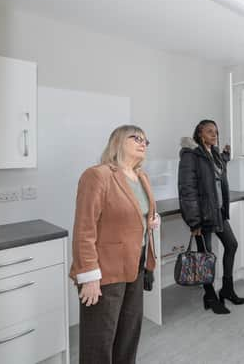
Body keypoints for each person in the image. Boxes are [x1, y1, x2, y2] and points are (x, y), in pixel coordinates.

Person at [69, 125, 160, 364]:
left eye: (146, 140)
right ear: (117, 142)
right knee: (99, 342)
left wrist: (151, 219)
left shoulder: (142, 177)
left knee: (128, 336)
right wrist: (88, 276)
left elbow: (138, 212)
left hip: (136, 266)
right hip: (104, 272)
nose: (143, 142)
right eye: (136, 137)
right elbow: (84, 228)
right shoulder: (98, 175)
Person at [178, 119, 244, 315]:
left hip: (217, 212)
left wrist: (225, 155)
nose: (214, 134)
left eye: (216, 131)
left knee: (231, 245)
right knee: (205, 256)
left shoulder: (214, 153)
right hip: (202, 215)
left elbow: (216, 171)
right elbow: (187, 189)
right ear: (200, 133)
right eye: (209, 131)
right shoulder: (190, 155)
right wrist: (194, 221)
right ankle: (209, 295)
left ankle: (227, 289)